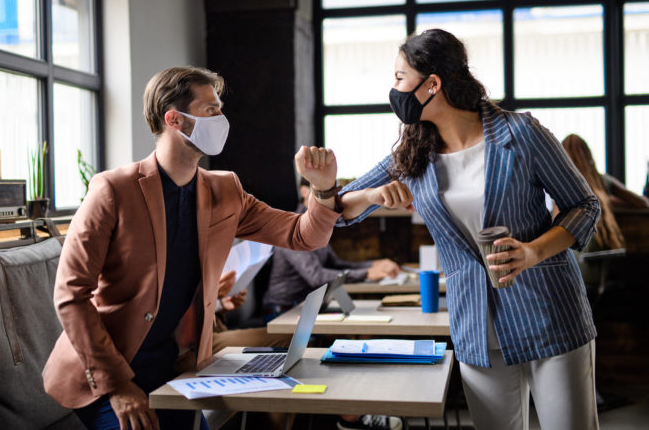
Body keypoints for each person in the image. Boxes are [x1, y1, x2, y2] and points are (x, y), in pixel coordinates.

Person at [42, 66, 342, 430]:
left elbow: (302, 235)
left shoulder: (225, 189)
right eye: (210, 110)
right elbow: (70, 294)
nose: (222, 119)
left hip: (178, 368)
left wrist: (323, 190)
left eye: (220, 108)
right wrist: (119, 385)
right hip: (107, 375)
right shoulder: (112, 190)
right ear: (175, 120)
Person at [336, 29, 601, 430]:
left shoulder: (520, 133)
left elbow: (585, 205)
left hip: (549, 312)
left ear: (432, 84)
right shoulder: (414, 154)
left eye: (398, 78)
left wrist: (532, 252)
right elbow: (338, 209)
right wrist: (373, 195)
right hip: (476, 324)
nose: (393, 90)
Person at [262, 178, 400, 318]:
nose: (329, 198)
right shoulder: (292, 229)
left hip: (307, 306)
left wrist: (374, 264)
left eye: (331, 192)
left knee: (358, 318)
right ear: (304, 191)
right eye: (321, 191)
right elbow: (316, 276)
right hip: (282, 311)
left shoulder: (317, 225)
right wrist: (367, 273)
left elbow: (335, 264)